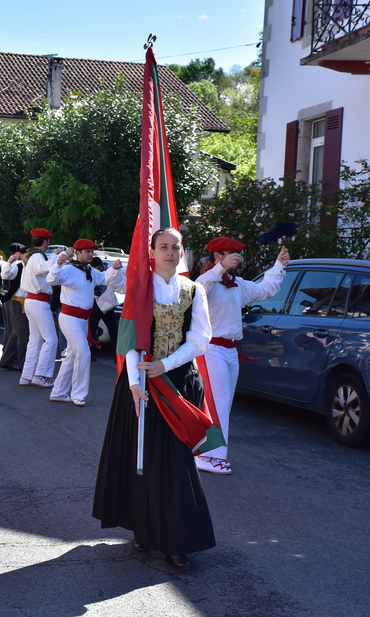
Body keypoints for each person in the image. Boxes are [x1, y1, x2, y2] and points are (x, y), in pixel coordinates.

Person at [92, 227, 215, 571]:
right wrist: (134, 382)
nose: (171, 252)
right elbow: (130, 337)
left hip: (177, 382)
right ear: (151, 251)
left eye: (176, 247)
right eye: (164, 246)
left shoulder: (194, 289)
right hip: (140, 382)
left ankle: (177, 540)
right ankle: (144, 528)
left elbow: (201, 338)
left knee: (175, 463)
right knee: (139, 459)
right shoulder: (139, 287)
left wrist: (164, 364)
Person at [194, 237, 290, 474]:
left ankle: (206, 451)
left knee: (222, 404)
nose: (237, 257)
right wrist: (221, 268)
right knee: (217, 403)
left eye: (237, 253)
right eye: (231, 253)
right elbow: (201, 287)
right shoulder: (207, 281)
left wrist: (279, 266)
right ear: (217, 255)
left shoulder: (237, 284)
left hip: (230, 350)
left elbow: (264, 290)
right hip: (212, 349)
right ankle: (211, 455)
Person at [47, 239, 106, 406]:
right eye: (87, 251)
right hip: (70, 318)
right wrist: (57, 264)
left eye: (92, 251)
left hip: (82, 319)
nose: (91, 254)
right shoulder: (69, 269)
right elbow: (52, 279)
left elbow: (105, 278)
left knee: (72, 356)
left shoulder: (90, 271)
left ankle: (58, 392)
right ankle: (78, 394)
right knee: (84, 353)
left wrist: (118, 270)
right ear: (78, 253)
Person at [19, 228, 59, 387]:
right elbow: (43, 268)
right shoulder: (36, 256)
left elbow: (42, 267)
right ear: (45, 242)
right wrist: (58, 257)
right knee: (51, 339)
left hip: (32, 301)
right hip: (39, 301)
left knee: (35, 340)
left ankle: (27, 375)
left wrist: (55, 256)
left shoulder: (32, 256)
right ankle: (40, 375)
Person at [0, 243, 29, 371]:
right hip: (18, 302)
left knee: (17, 333)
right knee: (24, 335)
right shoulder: (18, 265)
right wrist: (9, 263)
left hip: (26, 302)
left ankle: (6, 360)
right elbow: (5, 275)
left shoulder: (29, 266)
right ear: (20, 255)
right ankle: (23, 364)